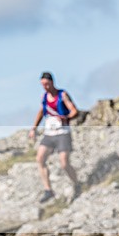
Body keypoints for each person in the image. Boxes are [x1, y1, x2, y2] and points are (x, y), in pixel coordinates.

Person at [28, 72, 81, 203]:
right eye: (42, 85)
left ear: (52, 82)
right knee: (40, 158)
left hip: (63, 132)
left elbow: (74, 111)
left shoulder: (62, 95)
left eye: (46, 84)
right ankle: (48, 190)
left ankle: (77, 183)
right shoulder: (44, 97)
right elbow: (41, 112)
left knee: (64, 163)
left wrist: (66, 117)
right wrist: (33, 128)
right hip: (49, 133)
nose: (45, 87)